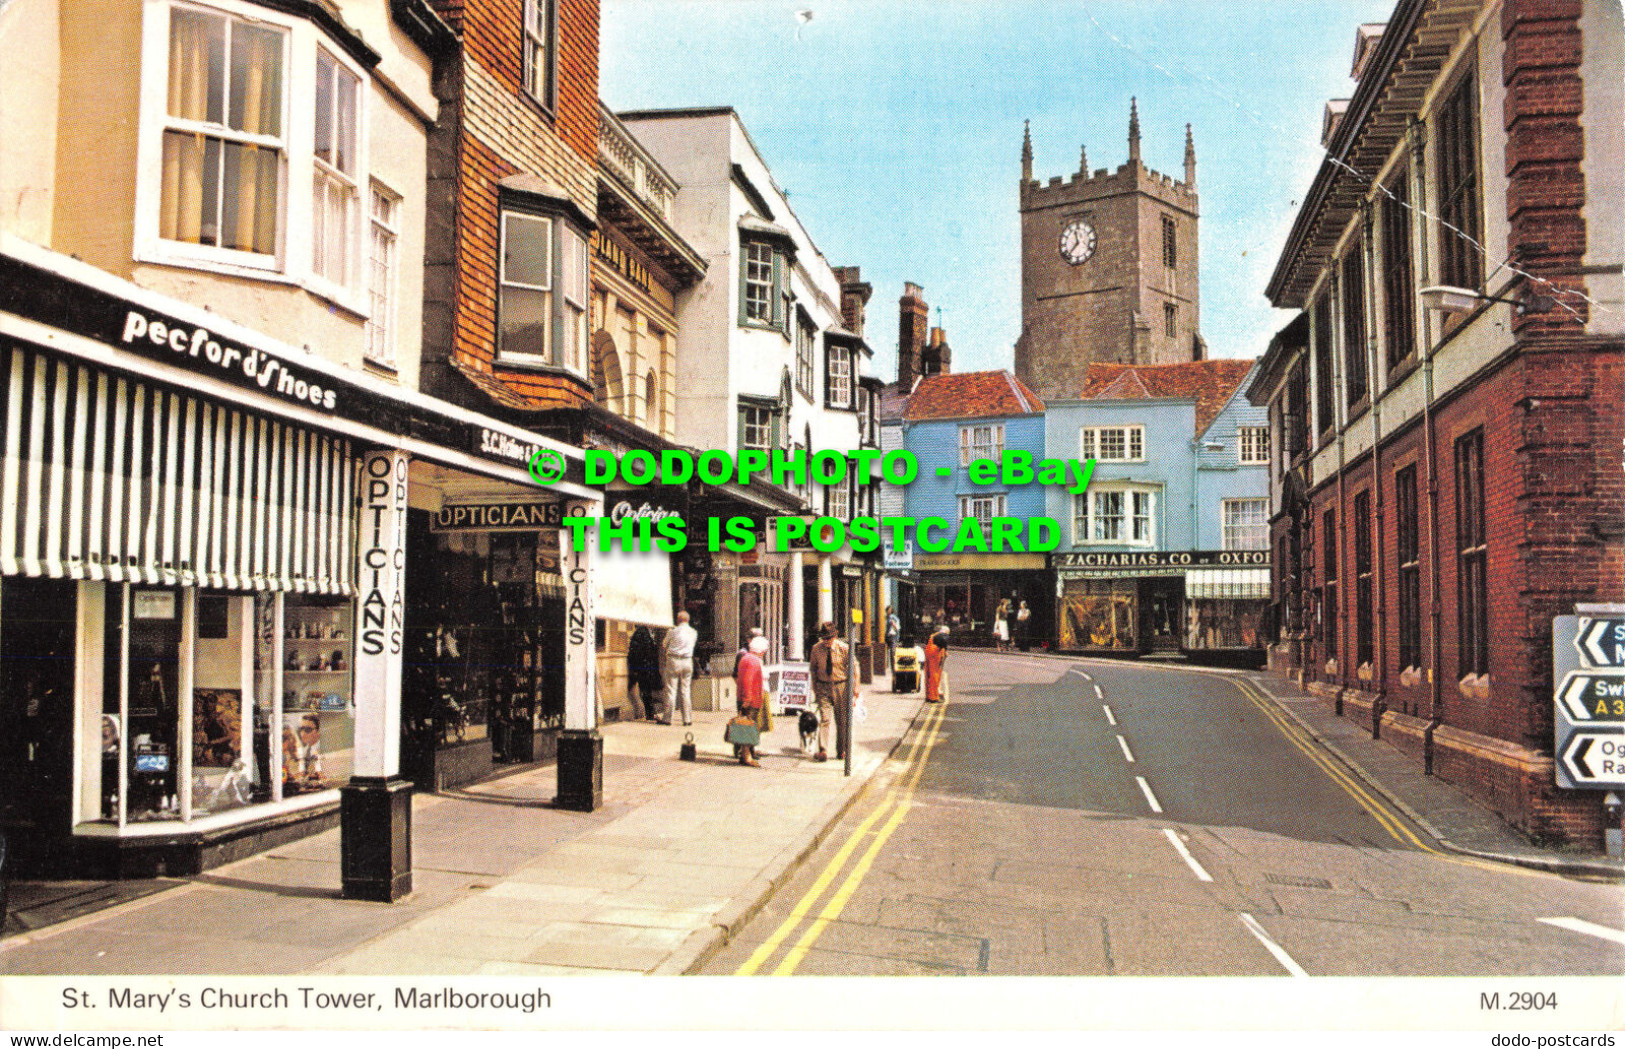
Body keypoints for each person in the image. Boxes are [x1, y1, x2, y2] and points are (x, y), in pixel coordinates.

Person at [808, 621, 850, 762]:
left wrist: (855, 688)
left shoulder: (844, 648)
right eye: (823, 638)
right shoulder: (816, 649)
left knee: (841, 721)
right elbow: (813, 669)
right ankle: (823, 750)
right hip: (823, 686)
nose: (826, 641)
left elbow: (853, 667)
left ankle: (841, 751)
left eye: (829, 638)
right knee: (825, 719)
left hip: (841, 686)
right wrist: (815, 688)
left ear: (835, 636)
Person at [734, 635, 770, 767]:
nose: (765, 653)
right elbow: (747, 680)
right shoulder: (753, 661)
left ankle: (745, 754)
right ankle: (746, 756)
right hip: (752, 699)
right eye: (764, 650)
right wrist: (748, 698)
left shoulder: (745, 658)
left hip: (747, 697)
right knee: (748, 727)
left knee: (746, 727)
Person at [661, 610, 698, 726]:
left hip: (674, 660)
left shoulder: (672, 631)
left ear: (678, 620)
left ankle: (667, 719)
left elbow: (664, 644)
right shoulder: (693, 632)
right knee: (685, 690)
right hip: (687, 661)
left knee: (671, 690)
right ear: (688, 620)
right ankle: (687, 719)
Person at [628, 625, 662, 721]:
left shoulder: (646, 632)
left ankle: (648, 713)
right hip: (643, 667)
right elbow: (638, 652)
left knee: (646, 691)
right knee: (645, 691)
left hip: (645, 667)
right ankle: (648, 713)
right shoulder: (641, 633)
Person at [924, 625, 950, 704]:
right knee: (934, 676)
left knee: (929, 675)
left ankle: (929, 696)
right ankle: (934, 697)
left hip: (929, 654)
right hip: (935, 655)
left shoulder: (933, 635)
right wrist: (945, 652)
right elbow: (944, 644)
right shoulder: (942, 636)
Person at [884, 607, 900, 674]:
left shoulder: (893, 618)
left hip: (891, 636)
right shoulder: (887, 618)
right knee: (890, 652)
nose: (888, 611)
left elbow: (896, 628)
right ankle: (889, 667)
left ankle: (893, 669)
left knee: (892, 653)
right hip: (889, 636)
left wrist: (893, 625)